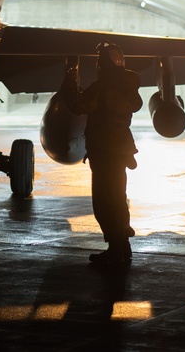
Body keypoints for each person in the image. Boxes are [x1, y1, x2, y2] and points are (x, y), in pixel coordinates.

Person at [60, 43, 143, 267]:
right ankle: (123, 246)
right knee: (118, 197)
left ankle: (115, 250)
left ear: (103, 64)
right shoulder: (128, 86)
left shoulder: (101, 88)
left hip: (104, 150)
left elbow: (78, 105)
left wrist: (69, 81)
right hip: (122, 149)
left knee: (104, 202)